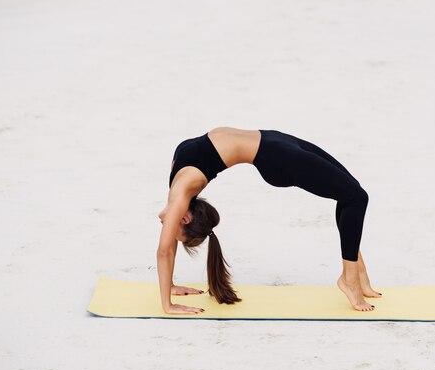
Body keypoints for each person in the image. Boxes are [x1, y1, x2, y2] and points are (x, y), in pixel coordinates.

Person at [157, 127, 381, 315]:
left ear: (184, 217)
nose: (164, 226)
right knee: (356, 198)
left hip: (274, 141)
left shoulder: (178, 192)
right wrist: (168, 294)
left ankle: (358, 272)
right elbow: (167, 249)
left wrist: (168, 301)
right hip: (277, 159)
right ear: (185, 217)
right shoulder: (182, 191)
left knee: (352, 191)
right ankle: (349, 278)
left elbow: (165, 250)